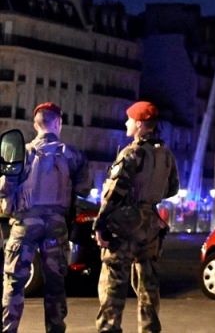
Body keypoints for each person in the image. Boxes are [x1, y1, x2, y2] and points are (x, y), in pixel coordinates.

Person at [1, 101, 91, 333]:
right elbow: (84, 188)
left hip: (24, 225)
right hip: (57, 227)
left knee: (14, 284)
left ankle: (8, 329)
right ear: (58, 123)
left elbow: (4, 188)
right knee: (55, 285)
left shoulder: (22, 152)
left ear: (35, 124)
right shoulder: (73, 155)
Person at [94, 101, 179, 333]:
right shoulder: (165, 154)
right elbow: (172, 189)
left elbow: (115, 191)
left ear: (140, 124)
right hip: (151, 224)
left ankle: (109, 329)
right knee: (148, 285)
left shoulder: (132, 153)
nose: (126, 123)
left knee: (113, 283)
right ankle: (149, 329)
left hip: (125, 224)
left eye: (129, 120)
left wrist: (100, 223)